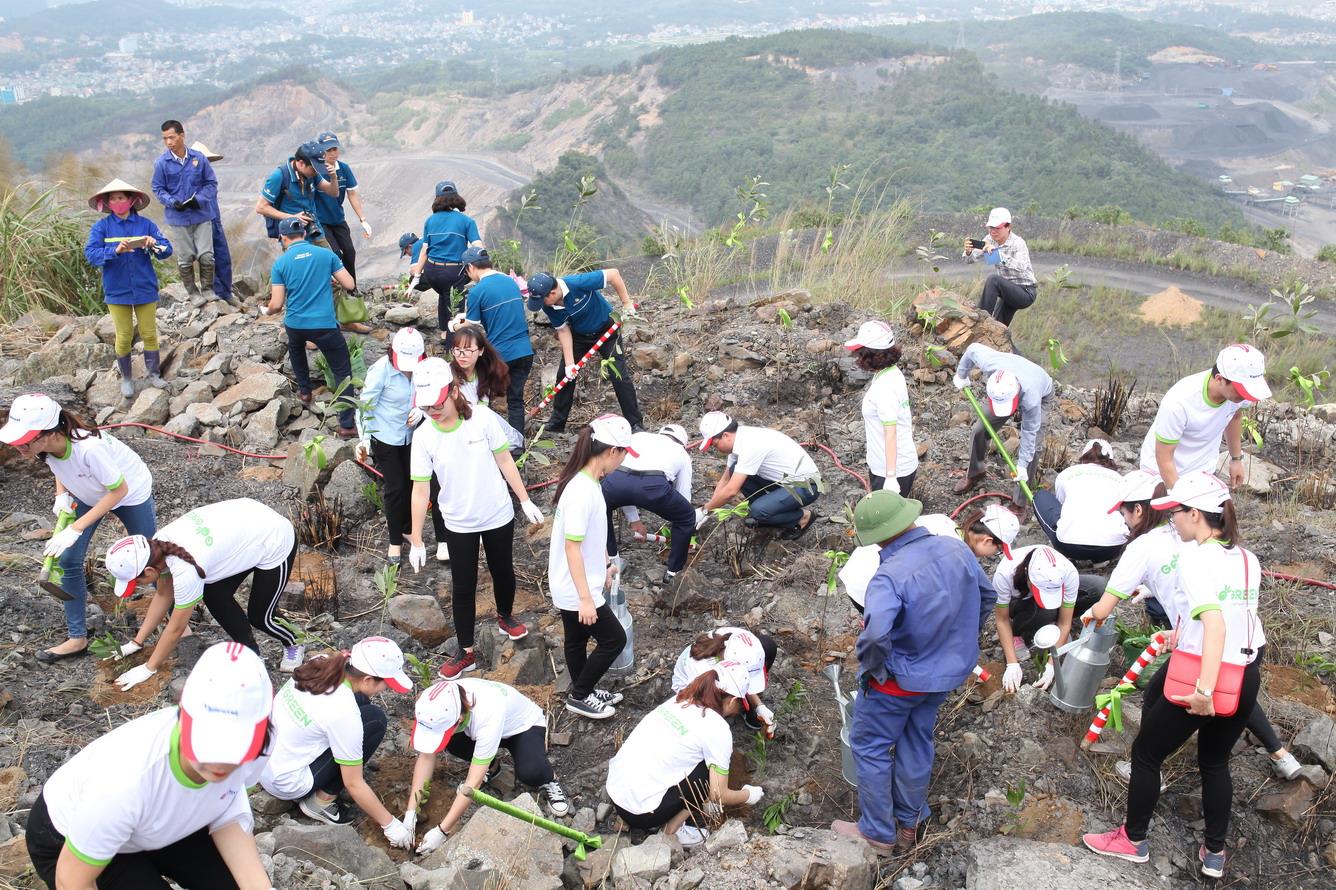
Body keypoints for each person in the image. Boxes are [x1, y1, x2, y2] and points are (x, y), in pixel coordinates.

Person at [1083, 472, 1269, 880]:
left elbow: (1216, 625)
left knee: (1147, 754)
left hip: (1202, 678)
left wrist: (1203, 691)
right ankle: (1214, 853)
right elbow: (1235, 618)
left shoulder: (1196, 559)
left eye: (1177, 513)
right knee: (1215, 761)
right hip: (1244, 672)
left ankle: (1132, 840)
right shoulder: (1245, 558)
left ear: (1197, 515)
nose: (1173, 522)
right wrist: (1180, 633)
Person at [1084, 471, 1303, 785]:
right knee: (1230, 693)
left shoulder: (1144, 547)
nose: (1123, 521)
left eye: (1123, 512)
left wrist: (1087, 617)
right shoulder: (1195, 533)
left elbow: (1103, 609)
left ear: (1139, 510)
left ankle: (1148, 767)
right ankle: (1280, 755)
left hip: (1208, 642)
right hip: (1250, 638)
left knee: (1208, 697)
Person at [25, 642, 274, 890]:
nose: (220, 761)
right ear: (183, 714)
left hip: (155, 824)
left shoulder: (262, 743)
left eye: (234, 746)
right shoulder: (126, 781)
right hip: (68, 838)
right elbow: (71, 880)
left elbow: (224, 804)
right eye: (209, 740)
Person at [831, 490, 995, 854]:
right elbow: (987, 597)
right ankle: (911, 821)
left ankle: (876, 832)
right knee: (916, 739)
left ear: (875, 536)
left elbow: (875, 635)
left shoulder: (888, 576)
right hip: (945, 676)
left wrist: (874, 669)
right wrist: (958, 640)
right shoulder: (956, 549)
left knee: (870, 746)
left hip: (898, 680)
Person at [405, 358, 546, 679]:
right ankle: (465, 651)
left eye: (438, 403)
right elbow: (419, 490)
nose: (434, 411)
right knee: (463, 585)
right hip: (457, 521)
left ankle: (506, 616)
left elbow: (505, 461)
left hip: (496, 513)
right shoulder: (425, 436)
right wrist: (415, 537)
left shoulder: (482, 419)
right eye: (426, 407)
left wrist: (524, 500)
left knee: (502, 570)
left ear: (454, 390)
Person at [1, 394, 156, 663]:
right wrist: (62, 495)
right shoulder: (47, 448)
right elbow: (60, 466)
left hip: (129, 494)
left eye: (24, 441)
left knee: (150, 559)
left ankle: (180, 624)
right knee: (68, 559)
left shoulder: (89, 449)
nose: (19, 448)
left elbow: (119, 490)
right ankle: (77, 637)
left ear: (50, 432)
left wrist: (75, 529)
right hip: (89, 492)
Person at [106, 498, 303, 687]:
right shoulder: (158, 548)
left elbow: (175, 628)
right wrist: (136, 642)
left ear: (148, 571)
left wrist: (149, 668)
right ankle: (251, 655)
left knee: (261, 616)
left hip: (272, 537)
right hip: (241, 533)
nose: (137, 586)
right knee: (215, 596)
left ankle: (294, 642)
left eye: (137, 581)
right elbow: (163, 596)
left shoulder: (185, 570)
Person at [261, 638, 415, 850]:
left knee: (362, 704)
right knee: (375, 720)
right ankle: (320, 802)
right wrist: (390, 824)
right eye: (385, 684)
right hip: (286, 781)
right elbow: (354, 784)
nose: (385, 689)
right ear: (368, 679)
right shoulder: (343, 712)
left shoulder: (322, 661)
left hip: (262, 758)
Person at [606, 661, 763, 848]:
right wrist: (748, 795)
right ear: (732, 700)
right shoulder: (717, 728)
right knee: (709, 770)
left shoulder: (680, 699)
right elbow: (718, 795)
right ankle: (673, 830)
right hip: (640, 813)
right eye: (741, 705)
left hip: (616, 790)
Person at [408, 678, 571, 854]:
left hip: (522, 728)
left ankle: (550, 779)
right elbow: (426, 756)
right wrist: (411, 813)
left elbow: (472, 784)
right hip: (482, 727)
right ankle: (491, 766)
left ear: (460, 718)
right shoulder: (434, 702)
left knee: (531, 772)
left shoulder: (487, 714)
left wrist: (442, 831)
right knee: (448, 741)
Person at [548, 415, 635, 719]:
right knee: (614, 639)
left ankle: (584, 686)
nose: (622, 461)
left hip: (573, 581)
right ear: (612, 451)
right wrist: (586, 598)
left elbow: (588, 539)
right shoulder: (582, 491)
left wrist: (606, 564)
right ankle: (580, 695)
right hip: (575, 586)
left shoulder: (588, 483)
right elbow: (572, 547)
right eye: (623, 454)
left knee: (577, 639)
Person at [353, 327, 447, 565]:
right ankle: (395, 541)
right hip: (386, 436)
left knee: (416, 483)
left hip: (415, 436)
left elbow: (435, 396)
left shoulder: (426, 369)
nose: (407, 367)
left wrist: (421, 410)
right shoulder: (380, 371)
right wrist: (364, 439)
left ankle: (410, 529)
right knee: (395, 488)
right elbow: (365, 407)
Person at [263, 217, 359, 438]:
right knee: (342, 371)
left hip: (296, 325)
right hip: (324, 324)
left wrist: (266, 311)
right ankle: (346, 425)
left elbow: (276, 304)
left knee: (296, 351)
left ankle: (305, 393)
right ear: (304, 234)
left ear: (283, 238)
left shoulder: (281, 263)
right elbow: (350, 284)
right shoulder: (326, 255)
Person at [841, 504, 1020, 614]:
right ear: (986, 540)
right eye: (997, 550)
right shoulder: (952, 555)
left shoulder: (944, 522)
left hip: (858, 565)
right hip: (868, 584)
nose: (994, 555)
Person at [83, 178, 173, 398]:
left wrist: (155, 245)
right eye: (112, 199)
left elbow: (167, 250)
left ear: (131, 200)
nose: (116, 202)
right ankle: (126, 378)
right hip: (117, 290)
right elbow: (91, 254)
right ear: (107, 203)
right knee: (123, 336)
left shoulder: (146, 225)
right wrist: (115, 251)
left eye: (121, 198)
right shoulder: (102, 227)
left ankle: (154, 374)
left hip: (144, 287)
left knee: (149, 333)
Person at [526, 267, 643, 433]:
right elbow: (563, 331)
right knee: (564, 376)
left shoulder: (578, 283)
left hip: (607, 331)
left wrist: (626, 303)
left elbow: (613, 274)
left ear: (552, 293)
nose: (541, 305)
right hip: (579, 336)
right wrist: (569, 365)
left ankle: (635, 423)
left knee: (618, 374)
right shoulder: (548, 306)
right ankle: (557, 423)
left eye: (541, 300)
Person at [1139, 344, 1270, 489]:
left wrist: (1236, 459)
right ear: (1220, 379)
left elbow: (1234, 417)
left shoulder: (1236, 395)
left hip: (1202, 473)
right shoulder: (1179, 401)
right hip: (1160, 476)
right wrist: (1180, 499)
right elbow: (1163, 457)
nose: (1246, 397)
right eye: (1243, 391)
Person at [993, 544, 1104, 692]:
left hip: (1050, 600)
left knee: (1098, 587)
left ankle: (1048, 623)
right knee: (1045, 612)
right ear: (1029, 578)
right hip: (1017, 602)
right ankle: (1020, 633)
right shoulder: (1006, 572)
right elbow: (1002, 619)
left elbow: (1065, 623)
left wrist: (1052, 665)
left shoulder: (1066, 571)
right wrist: (1012, 664)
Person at [952, 343, 1054, 502]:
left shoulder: (1032, 398)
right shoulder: (989, 363)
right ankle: (975, 472)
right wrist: (961, 374)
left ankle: (1020, 503)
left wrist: (1021, 464)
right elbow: (972, 349)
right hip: (1013, 377)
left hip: (1041, 391)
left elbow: (1029, 432)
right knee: (979, 429)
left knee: (1033, 449)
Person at [697, 411, 820, 538]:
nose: (716, 449)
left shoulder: (750, 445)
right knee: (735, 469)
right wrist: (708, 511)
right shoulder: (738, 439)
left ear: (726, 435)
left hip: (807, 486)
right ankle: (768, 512)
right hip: (784, 482)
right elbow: (725, 480)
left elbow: (731, 490)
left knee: (758, 511)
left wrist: (704, 510)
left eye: (715, 444)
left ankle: (802, 518)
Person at [602, 424, 695, 584]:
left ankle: (611, 560)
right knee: (686, 517)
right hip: (653, 486)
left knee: (602, 508)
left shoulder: (638, 437)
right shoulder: (682, 453)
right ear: (683, 443)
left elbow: (627, 483)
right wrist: (685, 526)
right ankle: (673, 573)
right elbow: (683, 495)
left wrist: (635, 520)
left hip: (616, 480)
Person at [458, 245, 535, 435]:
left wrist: (455, 326)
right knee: (515, 401)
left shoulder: (477, 291)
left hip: (501, 355)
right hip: (525, 351)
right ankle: (518, 448)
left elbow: (471, 326)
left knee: (482, 396)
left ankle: (485, 438)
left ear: (470, 267)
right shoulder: (510, 282)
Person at [844, 320, 918, 495]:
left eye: (859, 352)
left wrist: (890, 477)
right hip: (895, 464)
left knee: (888, 521)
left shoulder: (884, 388)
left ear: (870, 355)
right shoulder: (892, 373)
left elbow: (890, 432)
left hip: (892, 470)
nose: (856, 356)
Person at [151, 120, 218, 299]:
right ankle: (193, 293)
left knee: (206, 256)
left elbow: (211, 183)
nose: (169, 142)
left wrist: (200, 199)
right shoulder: (161, 163)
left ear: (182, 135)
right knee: (186, 257)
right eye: (165, 139)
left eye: (172, 137)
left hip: (201, 214)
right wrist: (172, 201)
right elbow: (158, 189)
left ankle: (208, 289)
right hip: (178, 218)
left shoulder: (199, 158)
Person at [671, 625, 777, 737]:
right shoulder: (705, 674)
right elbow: (703, 706)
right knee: (710, 717)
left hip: (718, 674)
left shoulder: (734, 639)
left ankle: (748, 707)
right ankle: (740, 707)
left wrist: (760, 706)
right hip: (690, 692)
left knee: (768, 645)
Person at [1033, 439, 1129, 563]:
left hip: (1069, 546)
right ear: (1110, 460)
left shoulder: (1067, 474)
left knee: (1041, 496)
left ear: (1084, 457)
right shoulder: (1120, 479)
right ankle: (1102, 559)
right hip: (1113, 548)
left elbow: (1061, 505)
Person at [409, 180, 483, 332]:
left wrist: (415, 278)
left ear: (437, 199)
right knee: (455, 309)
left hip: (432, 273)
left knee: (444, 297)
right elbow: (478, 247)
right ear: (457, 198)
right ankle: (453, 342)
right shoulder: (466, 221)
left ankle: (443, 335)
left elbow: (424, 251)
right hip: (453, 273)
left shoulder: (430, 221)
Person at [448, 324, 523, 448]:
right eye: (457, 350)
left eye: (468, 350)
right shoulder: (447, 374)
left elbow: (482, 410)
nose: (461, 355)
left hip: (477, 428)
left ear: (481, 351)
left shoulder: (485, 372)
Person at [312, 131, 370, 287]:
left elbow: (352, 194)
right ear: (321, 151)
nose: (332, 153)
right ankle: (337, 287)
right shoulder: (315, 171)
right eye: (328, 150)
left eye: (334, 149)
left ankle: (352, 287)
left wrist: (363, 219)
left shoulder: (344, 168)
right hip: (321, 221)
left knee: (350, 252)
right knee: (335, 253)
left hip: (338, 218)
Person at [962, 207, 1036, 326]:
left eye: (997, 228)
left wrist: (999, 255)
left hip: (1025, 292)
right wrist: (969, 252)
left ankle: (980, 320)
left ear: (1008, 227)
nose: (993, 231)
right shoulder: (989, 240)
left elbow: (1022, 267)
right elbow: (969, 260)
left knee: (993, 280)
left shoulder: (1018, 243)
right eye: (991, 227)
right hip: (1006, 292)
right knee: (997, 328)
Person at [254, 141, 338, 243]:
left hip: (315, 231)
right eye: (314, 169)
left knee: (329, 258)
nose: (317, 172)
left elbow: (334, 193)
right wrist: (293, 217)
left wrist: (333, 177)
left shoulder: (312, 174)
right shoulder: (279, 176)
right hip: (292, 235)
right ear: (301, 163)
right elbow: (260, 207)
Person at [190, 140, 235, 304]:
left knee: (223, 257)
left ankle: (226, 292)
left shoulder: (209, 179)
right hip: (198, 224)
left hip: (214, 222)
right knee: (206, 258)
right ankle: (213, 292)